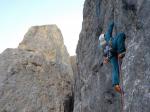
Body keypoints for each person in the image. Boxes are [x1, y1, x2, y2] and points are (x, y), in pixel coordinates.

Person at [99, 21, 126, 93]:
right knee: (121, 35)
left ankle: (116, 84)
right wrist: (113, 22)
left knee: (115, 69)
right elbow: (110, 28)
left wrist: (107, 59)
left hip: (111, 55)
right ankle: (121, 52)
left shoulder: (102, 46)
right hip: (113, 46)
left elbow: (105, 56)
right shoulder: (107, 35)